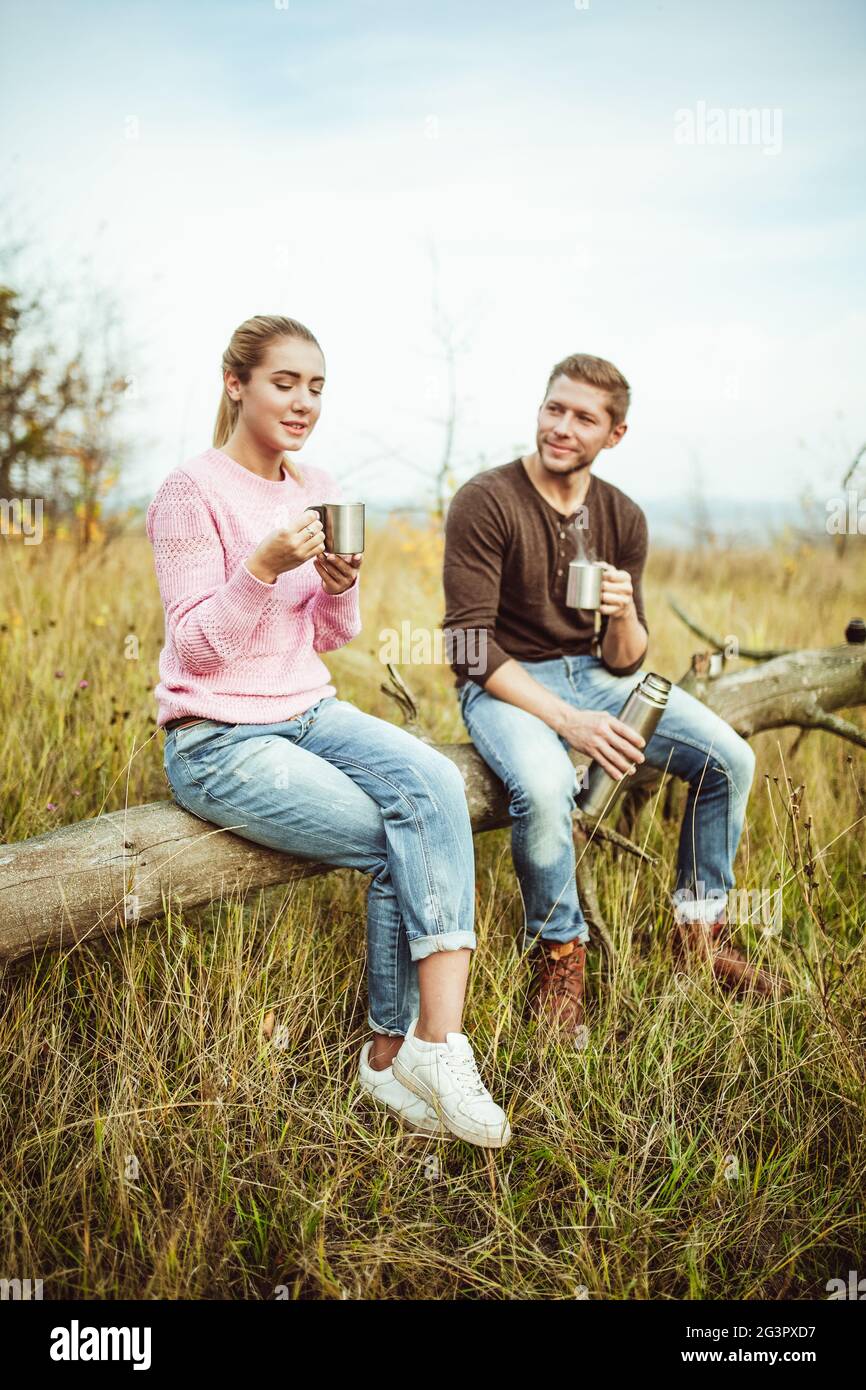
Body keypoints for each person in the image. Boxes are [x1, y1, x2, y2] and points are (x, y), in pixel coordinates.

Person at [146, 314, 510, 1147]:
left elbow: (330, 636)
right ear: (235, 384)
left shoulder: (316, 481)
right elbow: (198, 650)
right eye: (285, 382)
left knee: (434, 785)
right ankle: (387, 1052)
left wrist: (340, 583)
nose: (304, 401)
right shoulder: (187, 492)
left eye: (316, 387)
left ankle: (434, 1045)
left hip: (308, 709)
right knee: (394, 835)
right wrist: (264, 567)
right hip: (217, 738)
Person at [443, 352, 788, 1044]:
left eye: (583, 417)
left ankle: (698, 938)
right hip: (507, 683)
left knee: (730, 760)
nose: (561, 427)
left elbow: (625, 659)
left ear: (616, 434)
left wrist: (625, 611)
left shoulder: (622, 516)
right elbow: (468, 647)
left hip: (597, 677)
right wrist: (569, 723)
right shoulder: (488, 500)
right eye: (553, 409)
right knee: (544, 789)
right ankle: (561, 958)